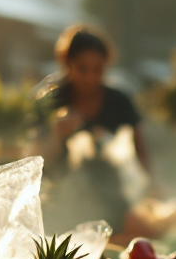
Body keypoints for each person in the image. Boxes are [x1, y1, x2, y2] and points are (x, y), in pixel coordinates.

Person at [34, 25, 154, 229]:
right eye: (82, 69)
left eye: (97, 69)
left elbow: (140, 149)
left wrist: (152, 186)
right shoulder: (50, 102)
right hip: (60, 201)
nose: (90, 77)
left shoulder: (120, 101)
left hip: (112, 197)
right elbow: (35, 160)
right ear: (67, 64)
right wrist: (57, 135)